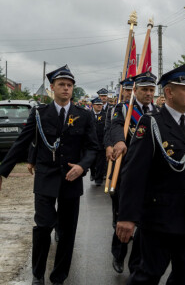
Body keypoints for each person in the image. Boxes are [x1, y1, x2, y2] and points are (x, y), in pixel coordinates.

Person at [115, 64, 185, 284]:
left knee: (184, 278)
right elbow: (134, 174)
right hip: (159, 219)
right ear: (169, 92)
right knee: (147, 276)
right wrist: (127, 216)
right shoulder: (151, 123)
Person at [0, 65, 98, 285]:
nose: (66, 88)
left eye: (70, 85)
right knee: (43, 226)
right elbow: (21, 143)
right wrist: (2, 171)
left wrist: (82, 166)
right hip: (46, 177)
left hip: (71, 179)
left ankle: (59, 276)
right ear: (52, 87)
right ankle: (37, 274)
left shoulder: (83, 115)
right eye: (61, 85)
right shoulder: (39, 113)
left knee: (67, 231)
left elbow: (93, 147)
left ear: (73, 89)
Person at [108, 72, 158, 274]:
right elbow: (116, 126)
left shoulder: (158, 111)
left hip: (151, 173)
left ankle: (137, 263)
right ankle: (119, 255)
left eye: (151, 90)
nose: (148, 93)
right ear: (135, 90)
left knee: (145, 220)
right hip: (128, 171)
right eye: (144, 89)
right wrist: (119, 140)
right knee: (125, 214)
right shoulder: (123, 108)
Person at [89, 97, 107, 186]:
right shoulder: (88, 115)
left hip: (101, 142)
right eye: (97, 105)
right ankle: (93, 173)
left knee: (101, 161)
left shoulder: (106, 115)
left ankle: (98, 179)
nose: (99, 106)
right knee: (92, 160)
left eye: (101, 104)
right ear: (93, 105)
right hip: (91, 142)